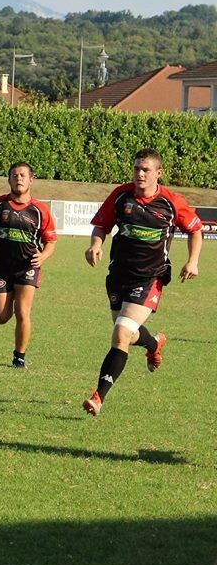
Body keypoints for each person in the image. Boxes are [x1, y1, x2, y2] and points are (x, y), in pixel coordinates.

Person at [82, 147, 203, 416]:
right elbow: (101, 225)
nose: (140, 173)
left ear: (158, 173)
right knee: (126, 331)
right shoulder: (121, 196)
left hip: (151, 277)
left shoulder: (171, 202)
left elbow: (195, 230)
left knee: (121, 333)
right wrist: (95, 245)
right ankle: (153, 343)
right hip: (118, 275)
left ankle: (98, 397)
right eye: (137, 168)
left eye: (146, 169)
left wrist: (192, 261)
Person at [0, 162, 57, 368]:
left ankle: (19, 357)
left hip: (27, 267)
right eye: (14, 175)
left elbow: (51, 241)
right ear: (9, 180)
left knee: (22, 311)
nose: (18, 178)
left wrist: (44, 256)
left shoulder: (40, 210)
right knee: (1, 317)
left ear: (31, 180)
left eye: (22, 175)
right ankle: (10, 297)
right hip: (2, 268)